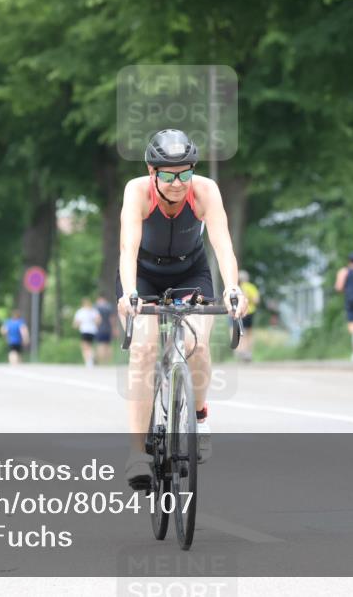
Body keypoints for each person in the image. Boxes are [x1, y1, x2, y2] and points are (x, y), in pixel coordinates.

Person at [117, 129, 248, 489]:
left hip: (191, 272)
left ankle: (200, 417)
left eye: (185, 174)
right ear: (151, 171)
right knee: (143, 349)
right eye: (168, 175)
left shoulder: (205, 191)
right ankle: (137, 454)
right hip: (143, 274)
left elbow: (223, 246)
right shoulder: (137, 191)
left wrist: (232, 287)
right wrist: (129, 294)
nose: (177, 183)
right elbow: (128, 247)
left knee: (198, 344)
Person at [237, 270, 260, 362]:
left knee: (242, 333)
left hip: (241, 312)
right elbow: (256, 301)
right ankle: (247, 352)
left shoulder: (237, 288)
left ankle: (243, 352)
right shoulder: (252, 287)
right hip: (250, 312)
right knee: (249, 333)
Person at [73, 297, 101, 367]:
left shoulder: (80, 311)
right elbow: (98, 320)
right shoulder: (94, 311)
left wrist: (75, 325)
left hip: (84, 330)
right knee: (90, 346)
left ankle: (88, 361)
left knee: (84, 347)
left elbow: (76, 322)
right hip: (93, 331)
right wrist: (94, 324)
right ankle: (92, 356)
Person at [93, 295, 116, 365]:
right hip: (108, 328)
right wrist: (114, 329)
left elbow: (96, 319)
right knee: (108, 345)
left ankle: (101, 361)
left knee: (101, 345)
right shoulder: (109, 307)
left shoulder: (96, 307)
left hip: (100, 329)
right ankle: (107, 362)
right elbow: (112, 319)